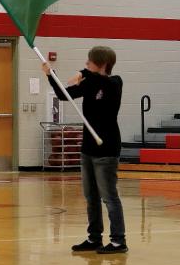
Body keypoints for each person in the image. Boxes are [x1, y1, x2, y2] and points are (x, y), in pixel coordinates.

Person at [42, 46, 127, 254]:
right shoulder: (90, 83)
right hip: (88, 148)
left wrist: (84, 73)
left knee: (109, 196)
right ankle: (94, 238)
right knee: (91, 197)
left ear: (102, 64)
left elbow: (102, 81)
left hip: (106, 148)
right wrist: (50, 75)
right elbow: (64, 95)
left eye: (90, 61)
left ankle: (118, 241)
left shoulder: (114, 83)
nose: (86, 64)